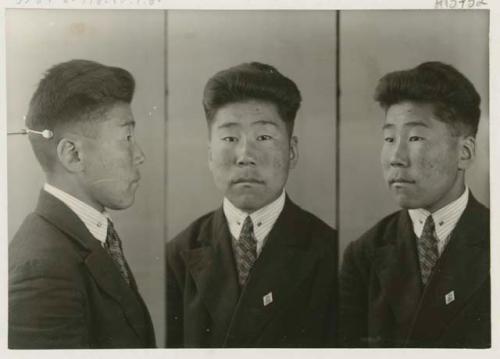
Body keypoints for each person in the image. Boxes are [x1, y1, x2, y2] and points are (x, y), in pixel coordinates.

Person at [166, 62, 338, 348]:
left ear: (292, 151)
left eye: (264, 137)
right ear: (210, 154)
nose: (245, 155)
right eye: (230, 138)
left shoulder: (331, 253)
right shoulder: (178, 254)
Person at [339, 61, 489, 348]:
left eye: (415, 137)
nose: (396, 156)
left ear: (465, 152)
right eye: (389, 138)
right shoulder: (364, 255)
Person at [9, 59, 156, 348]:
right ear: (73, 155)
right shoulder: (43, 271)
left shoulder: (84, 235)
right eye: (126, 137)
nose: (139, 155)